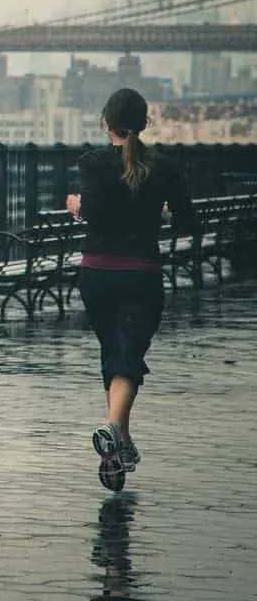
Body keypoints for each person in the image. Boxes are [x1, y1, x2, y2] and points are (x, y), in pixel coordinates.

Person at [65, 87, 199, 491]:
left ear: (107, 121)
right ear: (144, 122)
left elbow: (96, 210)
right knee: (128, 356)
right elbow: (186, 222)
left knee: (115, 354)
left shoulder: (92, 162)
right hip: (141, 273)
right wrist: (158, 212)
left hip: (97, 273)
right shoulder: (163, 166)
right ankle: (113, 430)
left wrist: (76, 206)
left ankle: (120, 443)